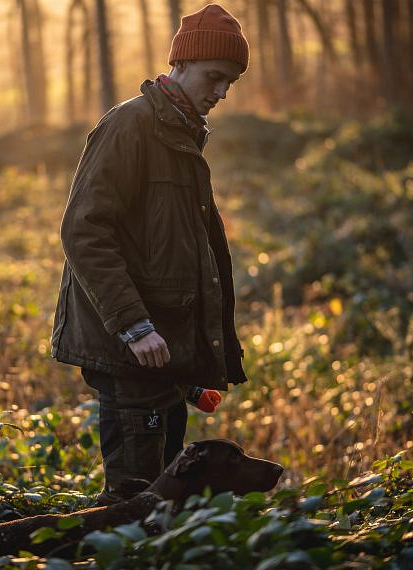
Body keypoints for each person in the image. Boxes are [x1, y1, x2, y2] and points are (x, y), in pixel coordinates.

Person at [51, 3, 249, 505]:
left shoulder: (181, 133)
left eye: (230, 81)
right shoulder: (130, 126)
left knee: (163, 503)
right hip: (134, 351)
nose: (222, 92)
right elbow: (84, 231)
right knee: (133, 505)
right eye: (215, 76)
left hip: (165, 354)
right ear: (180, 65)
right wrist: (134, 325)